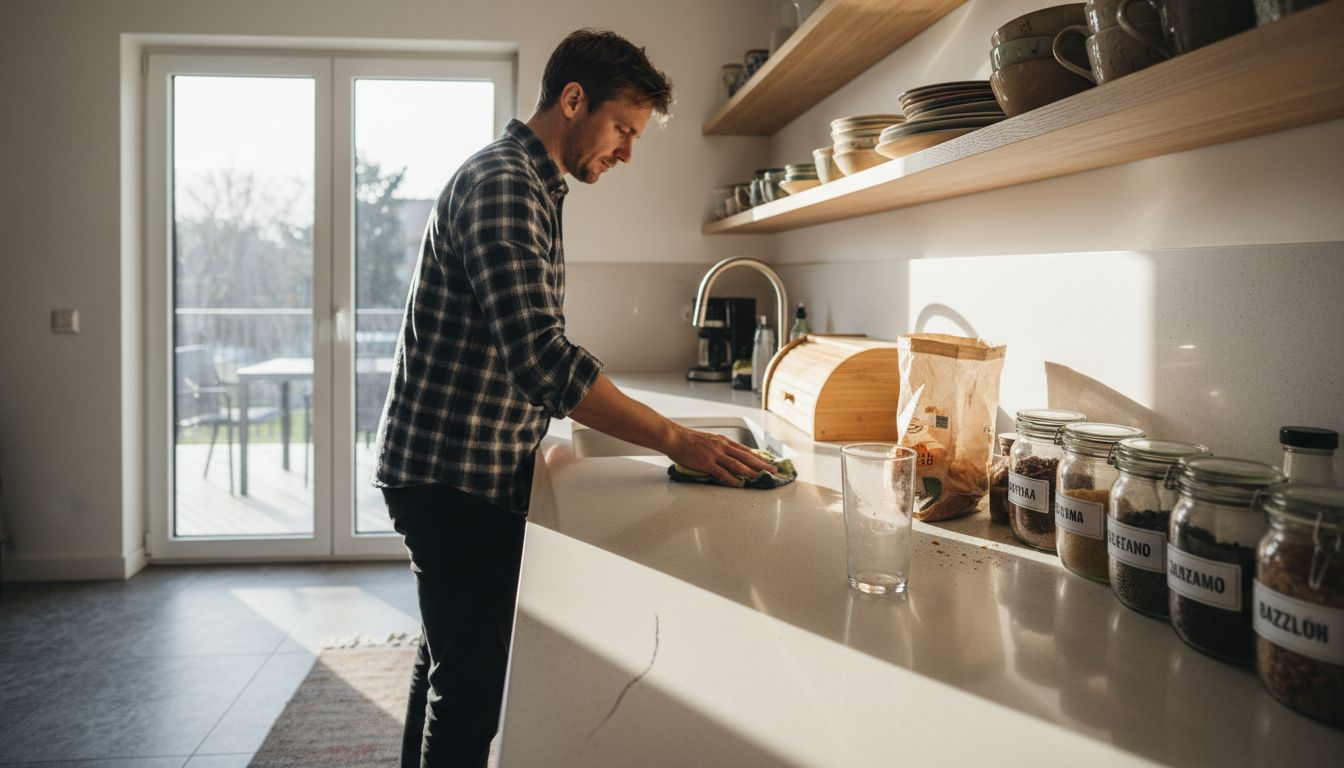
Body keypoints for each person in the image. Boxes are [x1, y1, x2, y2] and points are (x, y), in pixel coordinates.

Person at [373, 28, 774, 768]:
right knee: (470, 698)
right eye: (624, 128)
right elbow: (542, 360)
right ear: (572, 99)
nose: (626, 151)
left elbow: (522, 348)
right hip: (452, 479)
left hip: (453, 467)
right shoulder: (504, 184)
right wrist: (679, 440)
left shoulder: (531, 184)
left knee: (443, 666)